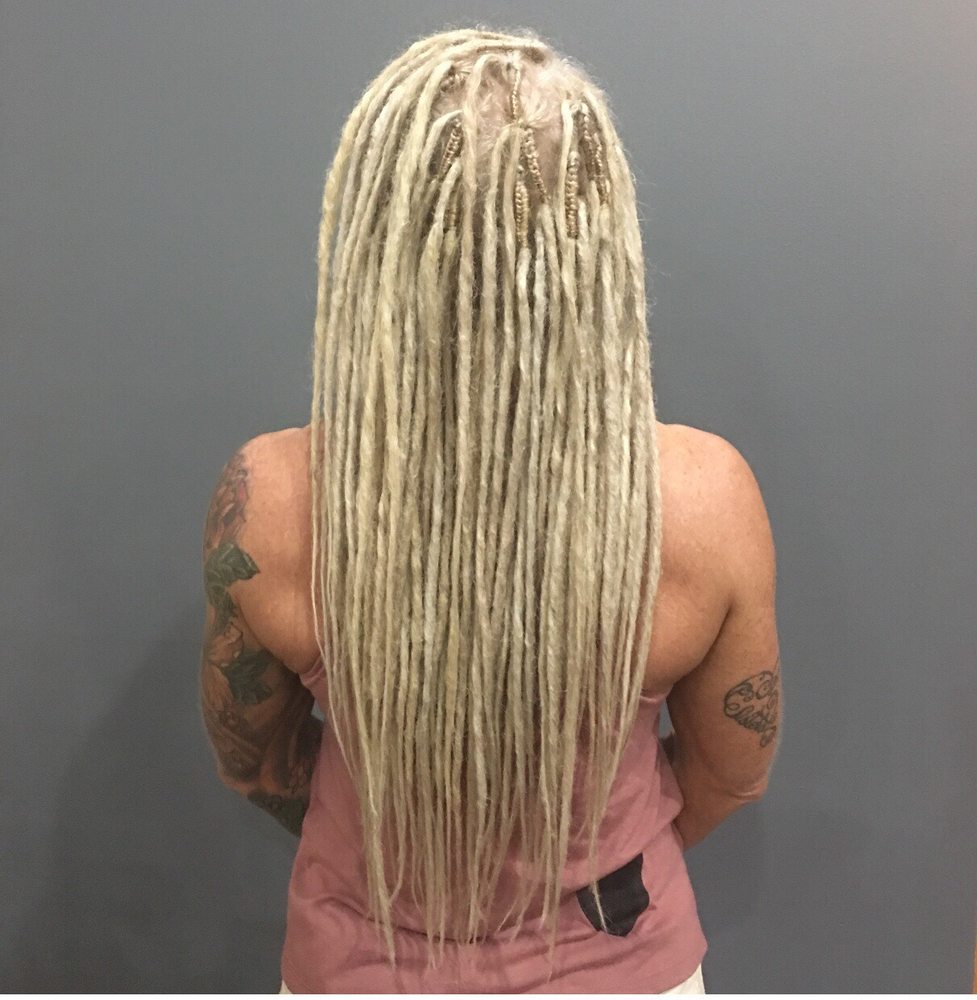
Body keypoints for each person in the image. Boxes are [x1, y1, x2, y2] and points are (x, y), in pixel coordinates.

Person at [198, 27, 782, 994]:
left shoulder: (270, 502)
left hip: (362, 964)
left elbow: (253, 762)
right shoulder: (702, 499)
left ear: (376, 234)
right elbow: (729, 774)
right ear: (598, 240)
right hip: (620, 959)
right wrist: (576, 881)